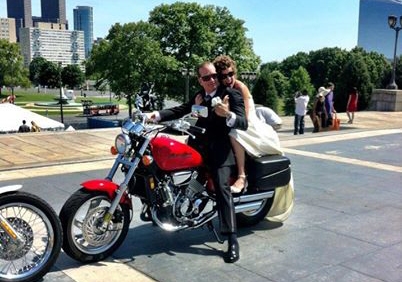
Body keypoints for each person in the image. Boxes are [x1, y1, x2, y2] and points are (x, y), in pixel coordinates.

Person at [147, 61, 247, 263]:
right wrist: (155, 115)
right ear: (199, 80)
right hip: (197, 147)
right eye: (206, 77)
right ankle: (164, 208)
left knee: (221, 188)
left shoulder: (230, 95)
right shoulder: (199, 96)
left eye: (213, 76)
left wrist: (227, 114)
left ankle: (231, 239)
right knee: (159, 165)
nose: (211, 80)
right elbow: (181, 109)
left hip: (219, 151)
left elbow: (243, 123)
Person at [213, 55, 282, 194]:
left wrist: (226, 112)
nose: (228, 79)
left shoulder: (240, 87)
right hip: (232, 121)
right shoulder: (221, 89)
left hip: (249, 124)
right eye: (224, 76)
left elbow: (244, 118)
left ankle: (241, 177)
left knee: (234, 134)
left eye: (231, 74)